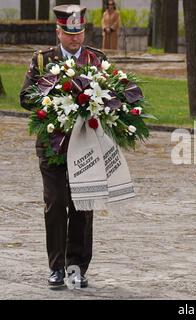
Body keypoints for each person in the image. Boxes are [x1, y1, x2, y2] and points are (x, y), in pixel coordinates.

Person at [19, 4, 107, 289]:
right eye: (69, 34)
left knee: (83, 205)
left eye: (79, 32)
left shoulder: (97, 60)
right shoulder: (43, 61)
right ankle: (56, 267)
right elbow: (25, 97)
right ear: (58, 31)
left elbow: (113, 97)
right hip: (52, 145)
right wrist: (53, 98)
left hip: (86, 147)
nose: (75, 39)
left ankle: (77, 267)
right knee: (56, 203)